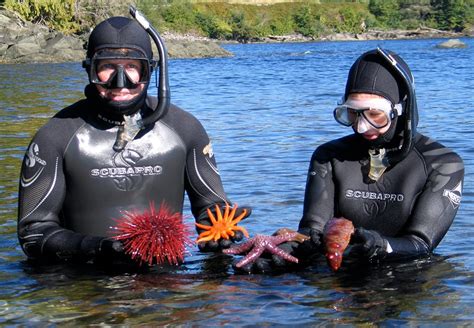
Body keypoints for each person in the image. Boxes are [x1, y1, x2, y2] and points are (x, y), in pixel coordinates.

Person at [17, 11, 250, 266]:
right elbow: (33, 232)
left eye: (132, 67)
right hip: (85, 288)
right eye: (107, 67)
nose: (121, 82)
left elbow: (213, 210)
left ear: (149, 70)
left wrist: (216, 233)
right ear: (90, 70)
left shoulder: (185, 129)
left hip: (168, 288)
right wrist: (95, 248)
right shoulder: (56, 136)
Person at [240, 48, 464, 273]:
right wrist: (286, 249)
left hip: (406, 277)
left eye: (375, 114)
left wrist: (378, 245)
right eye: (352, 114)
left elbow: (421, 244)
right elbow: (312, 232)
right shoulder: (328, 156)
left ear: (401, 110)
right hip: (337, 274)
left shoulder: (442, 164)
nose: (361, 126)